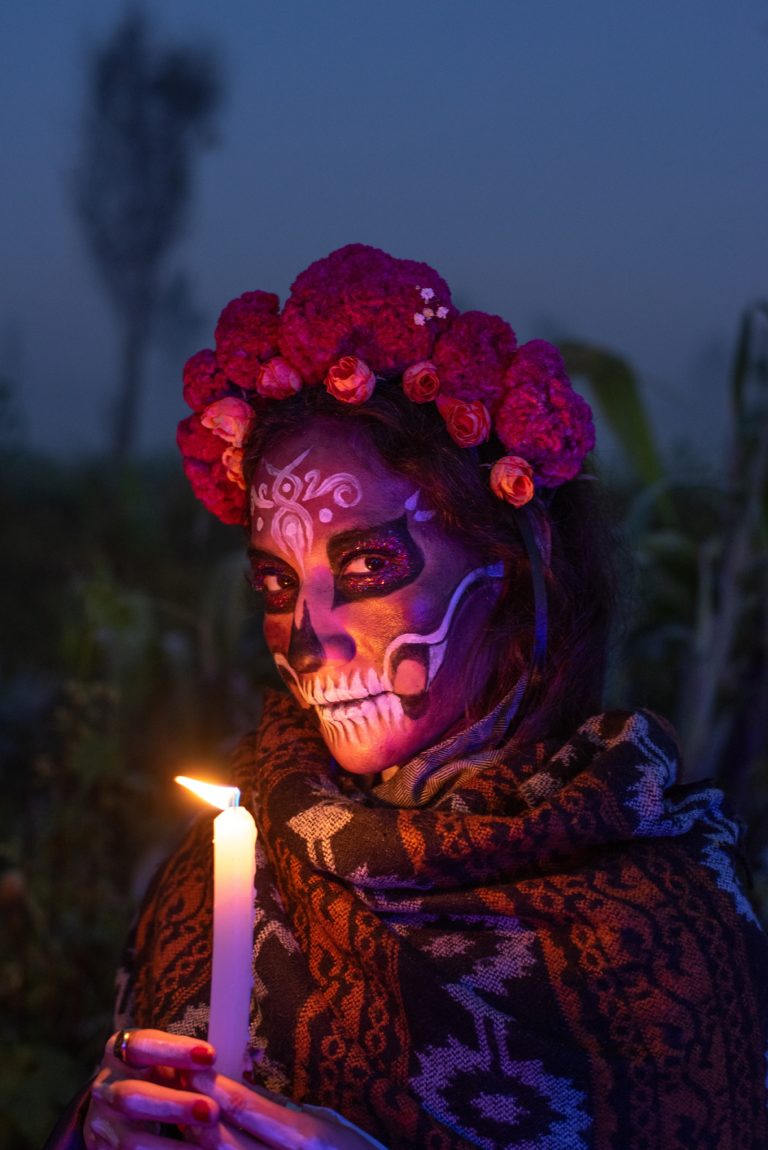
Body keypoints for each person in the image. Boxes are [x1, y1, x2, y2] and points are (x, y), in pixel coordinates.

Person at [50, 245, 766, 1149]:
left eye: (370, 565)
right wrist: (106, 1128)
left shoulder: (665, 924)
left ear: (516, 566)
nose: (306, 636)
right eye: (275, 586)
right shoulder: (226, 862)